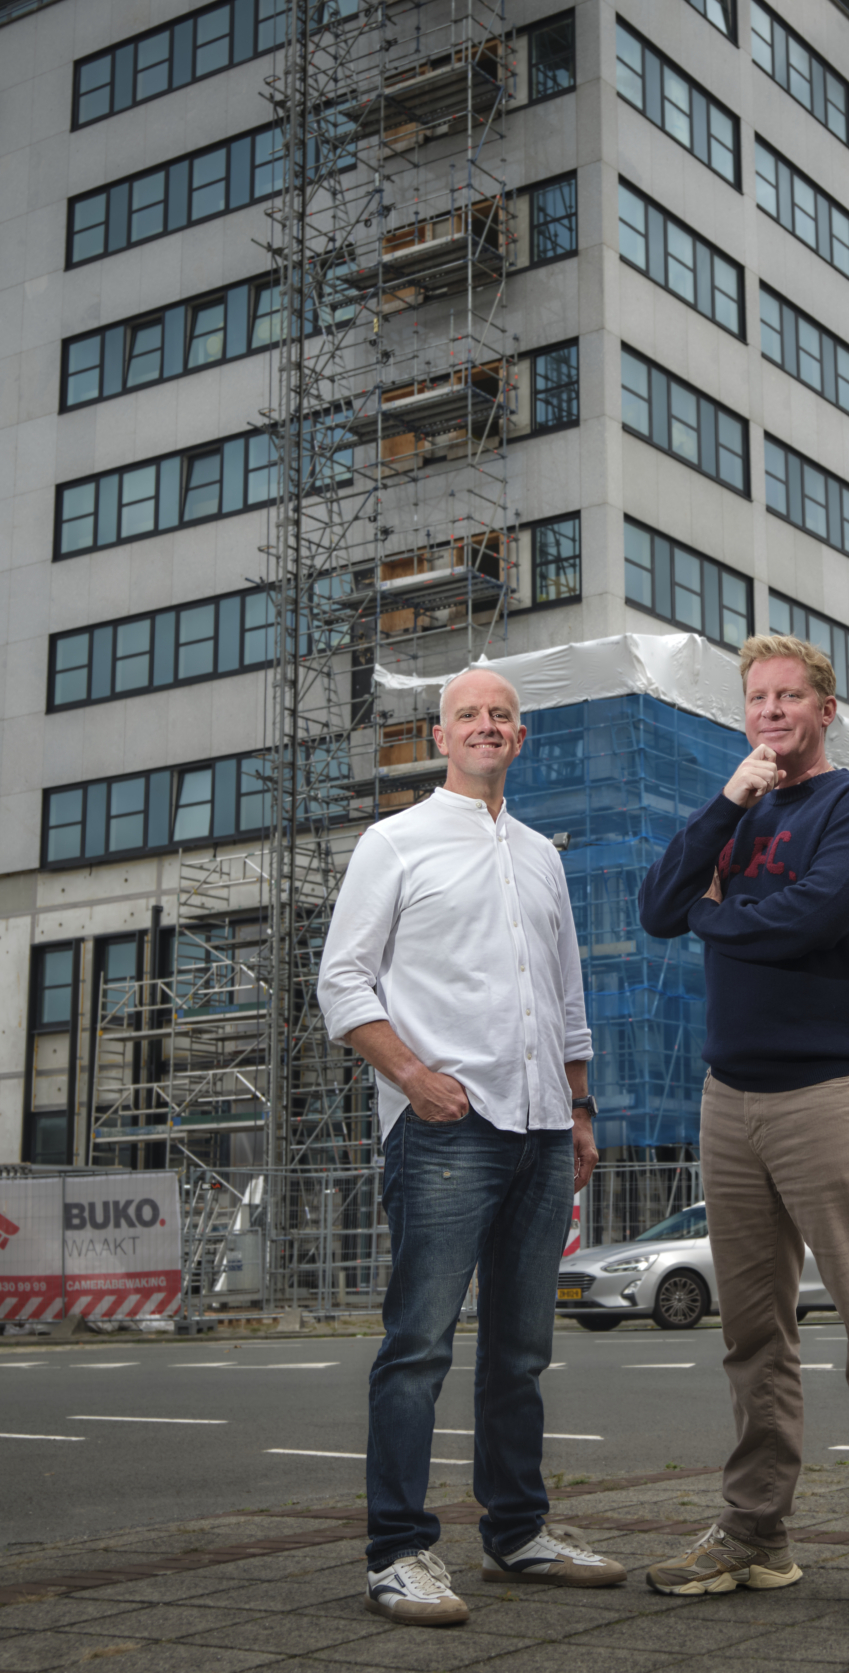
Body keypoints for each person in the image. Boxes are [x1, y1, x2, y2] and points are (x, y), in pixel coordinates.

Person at [634, 634, 849, 1626]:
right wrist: (724, 813)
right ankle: (754, 1533)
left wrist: (716, 915)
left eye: (788, 697)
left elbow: (807, 920)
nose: (771, 712)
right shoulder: (738, 811)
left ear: (824, 707)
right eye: (756, 698)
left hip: (828, 1090)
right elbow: (658, 905)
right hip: (728, 1100)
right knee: (752, 1334)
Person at [318, 666, 623, 1627]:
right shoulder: (394, 842)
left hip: (541, 1132)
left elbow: (567, 997)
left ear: (519, 739)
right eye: (468, 715)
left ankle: (518, 1533)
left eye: (501, 715)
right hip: (448, 1127)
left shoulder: (541, 855)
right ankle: (398, 1553)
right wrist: (412, 1077)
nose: (486, 726)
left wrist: (579, 1111)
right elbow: (342, 982)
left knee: (522, 1351)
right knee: (417, 1348)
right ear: (439, 737)